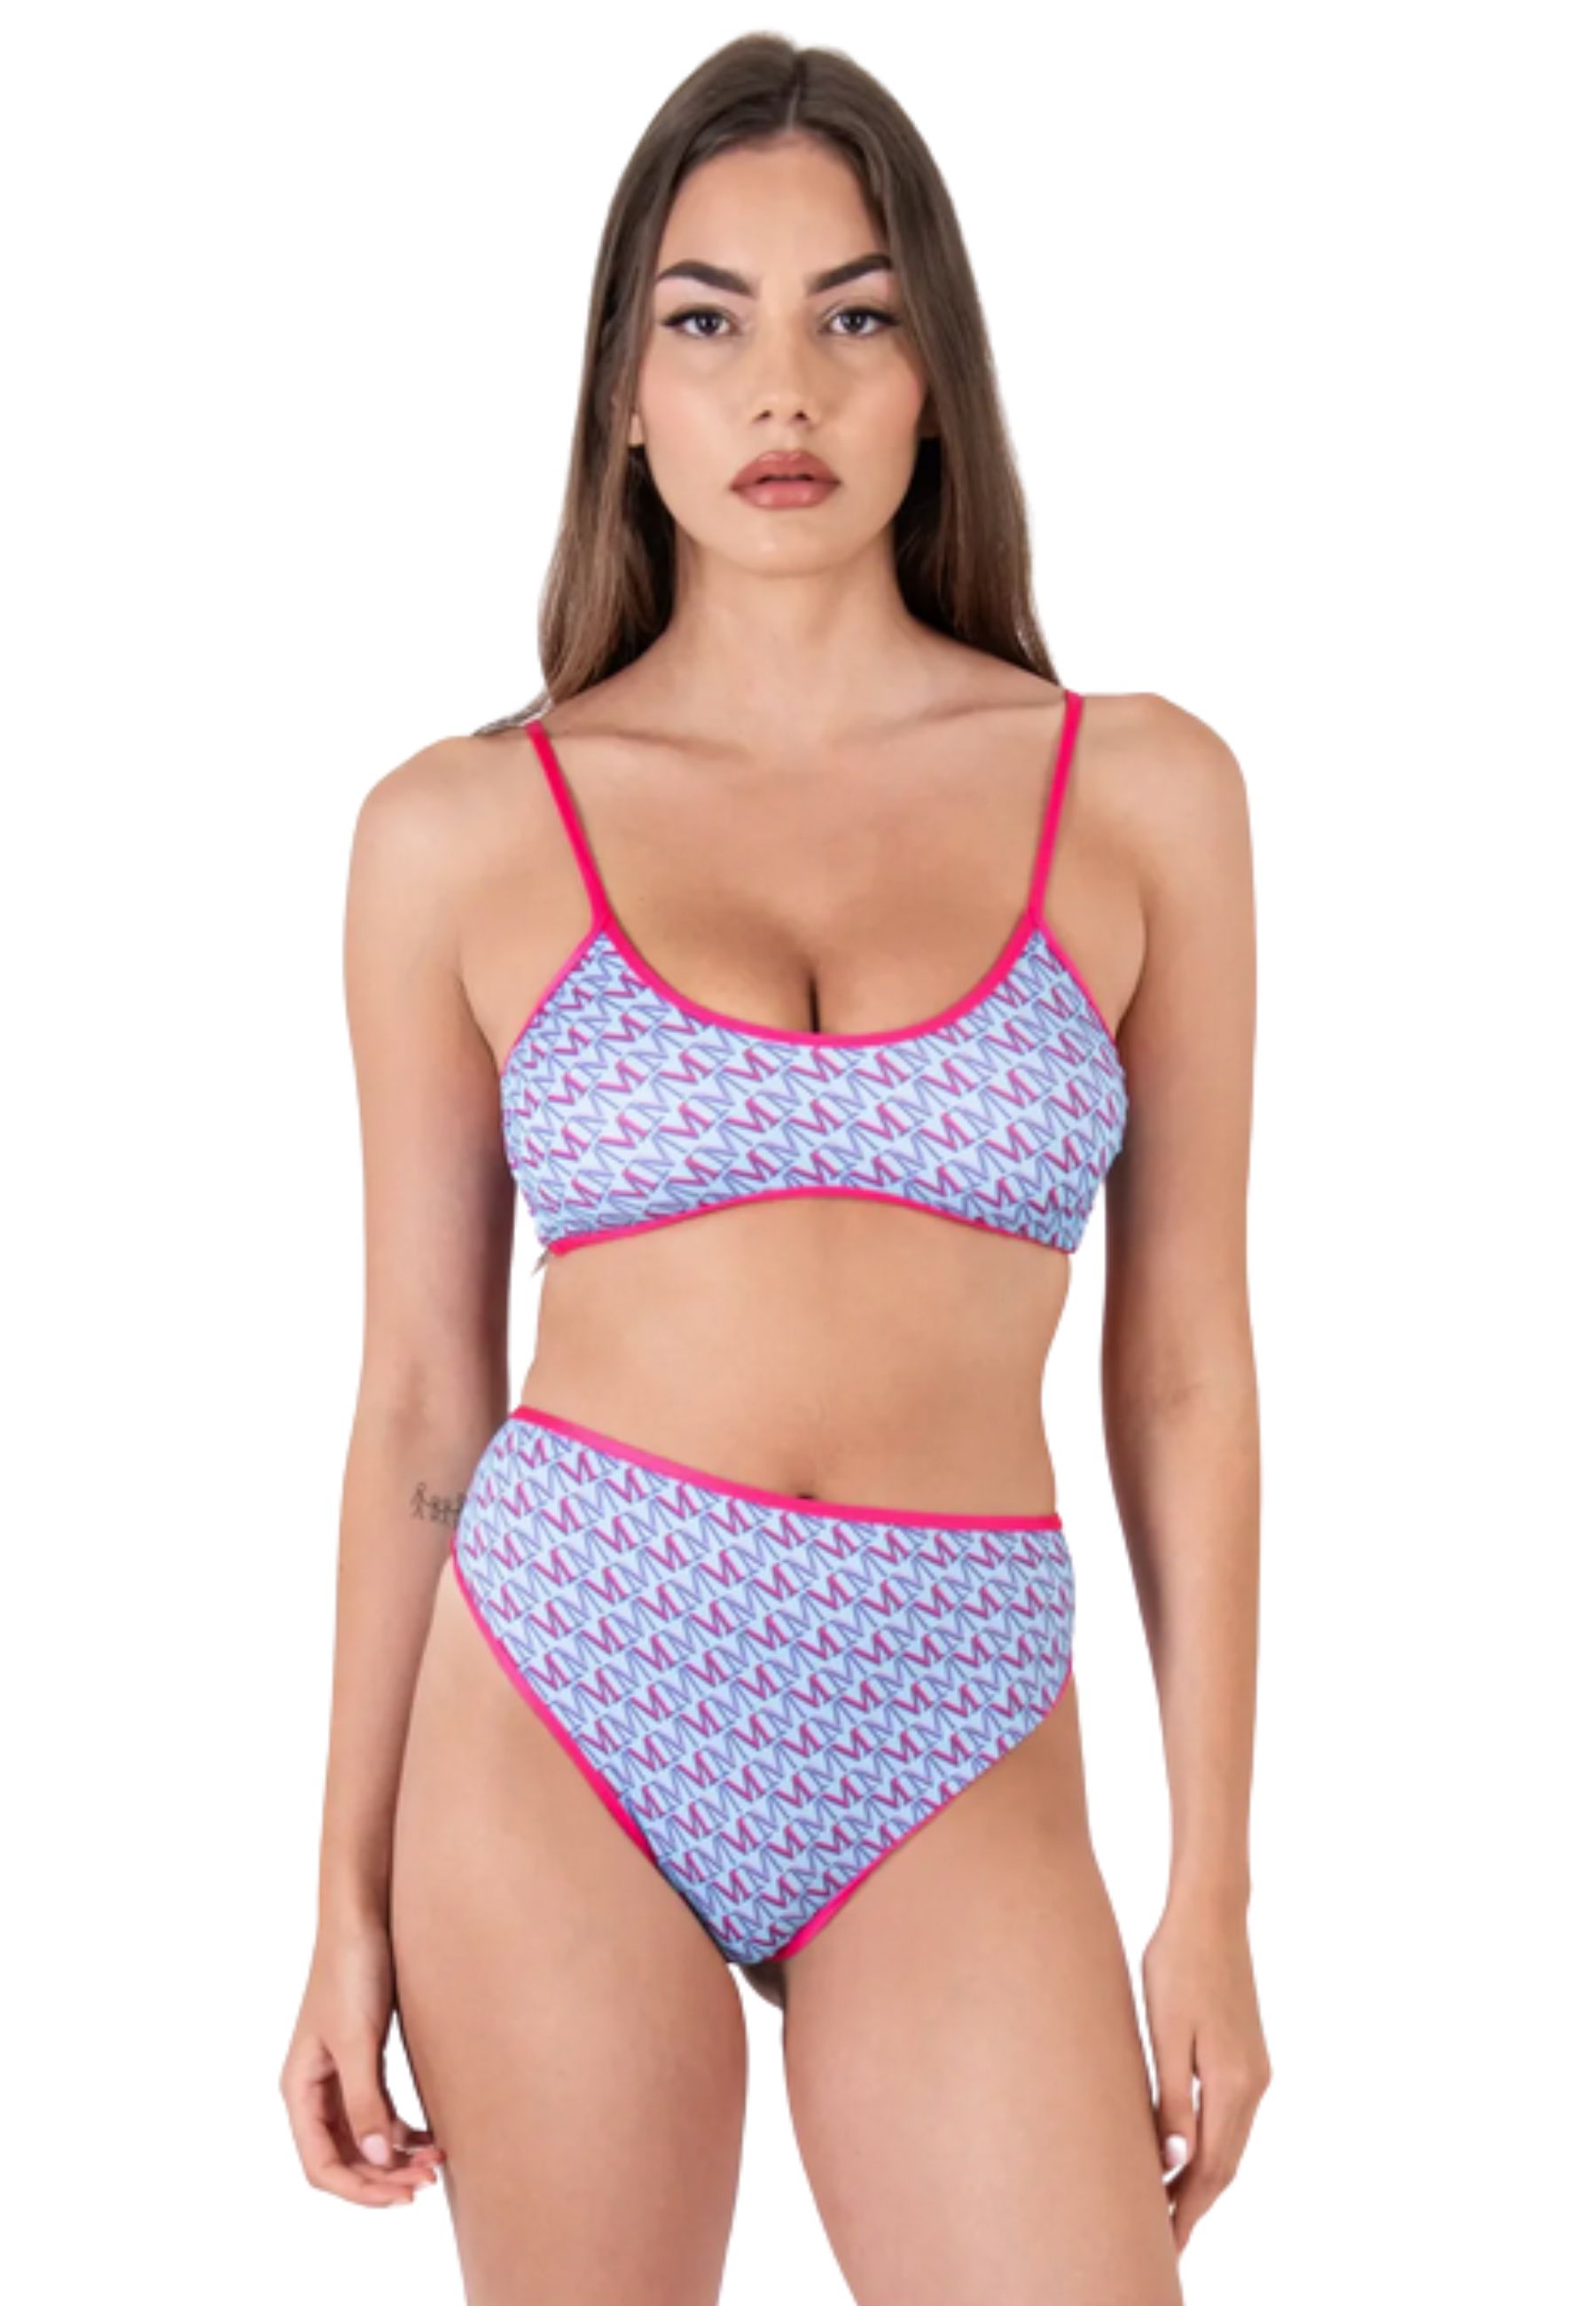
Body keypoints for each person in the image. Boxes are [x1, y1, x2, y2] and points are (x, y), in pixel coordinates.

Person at [280, 32, 1270, 2302]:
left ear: (937, 380)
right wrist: (338, 1891)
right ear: (625, 395)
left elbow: (1186, 1373)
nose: (784, 388)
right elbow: (423, 1397)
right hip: (567, 1689)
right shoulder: (457, 830)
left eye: (856, 313)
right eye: (708, 321)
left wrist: (1209, 1882)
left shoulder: (1142, 797)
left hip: (956, 1714)